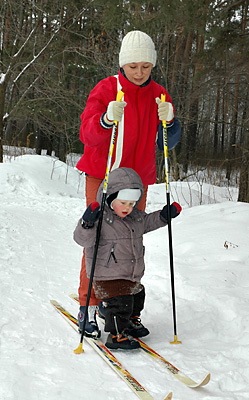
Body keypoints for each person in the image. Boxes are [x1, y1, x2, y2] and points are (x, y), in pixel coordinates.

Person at [75, 30, 181, 337]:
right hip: (103, 174)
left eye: (145, 67)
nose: (139, 72)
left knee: (130, 240)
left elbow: (168, 143)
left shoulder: (159, 95)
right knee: (98, 239)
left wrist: (170, 121)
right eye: (133, 66)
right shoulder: (106, 88)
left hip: (138, 180)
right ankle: (89, 304)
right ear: (123, 63)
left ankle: (124, 304)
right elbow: (87, 135)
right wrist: (106, 120)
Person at [73, 167, 182, 350]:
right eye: (123, 202)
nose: (128, 208)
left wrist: (164, 217)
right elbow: (81, 239)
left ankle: (130, 321)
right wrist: (87, 223)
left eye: (132, 203)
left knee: (138, 295)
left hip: (129, 275)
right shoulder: (100, 220)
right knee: (121, 303)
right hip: (107, 277)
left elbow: (149, 222)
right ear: (110, 198)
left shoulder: (135, 218)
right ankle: (116, 335)